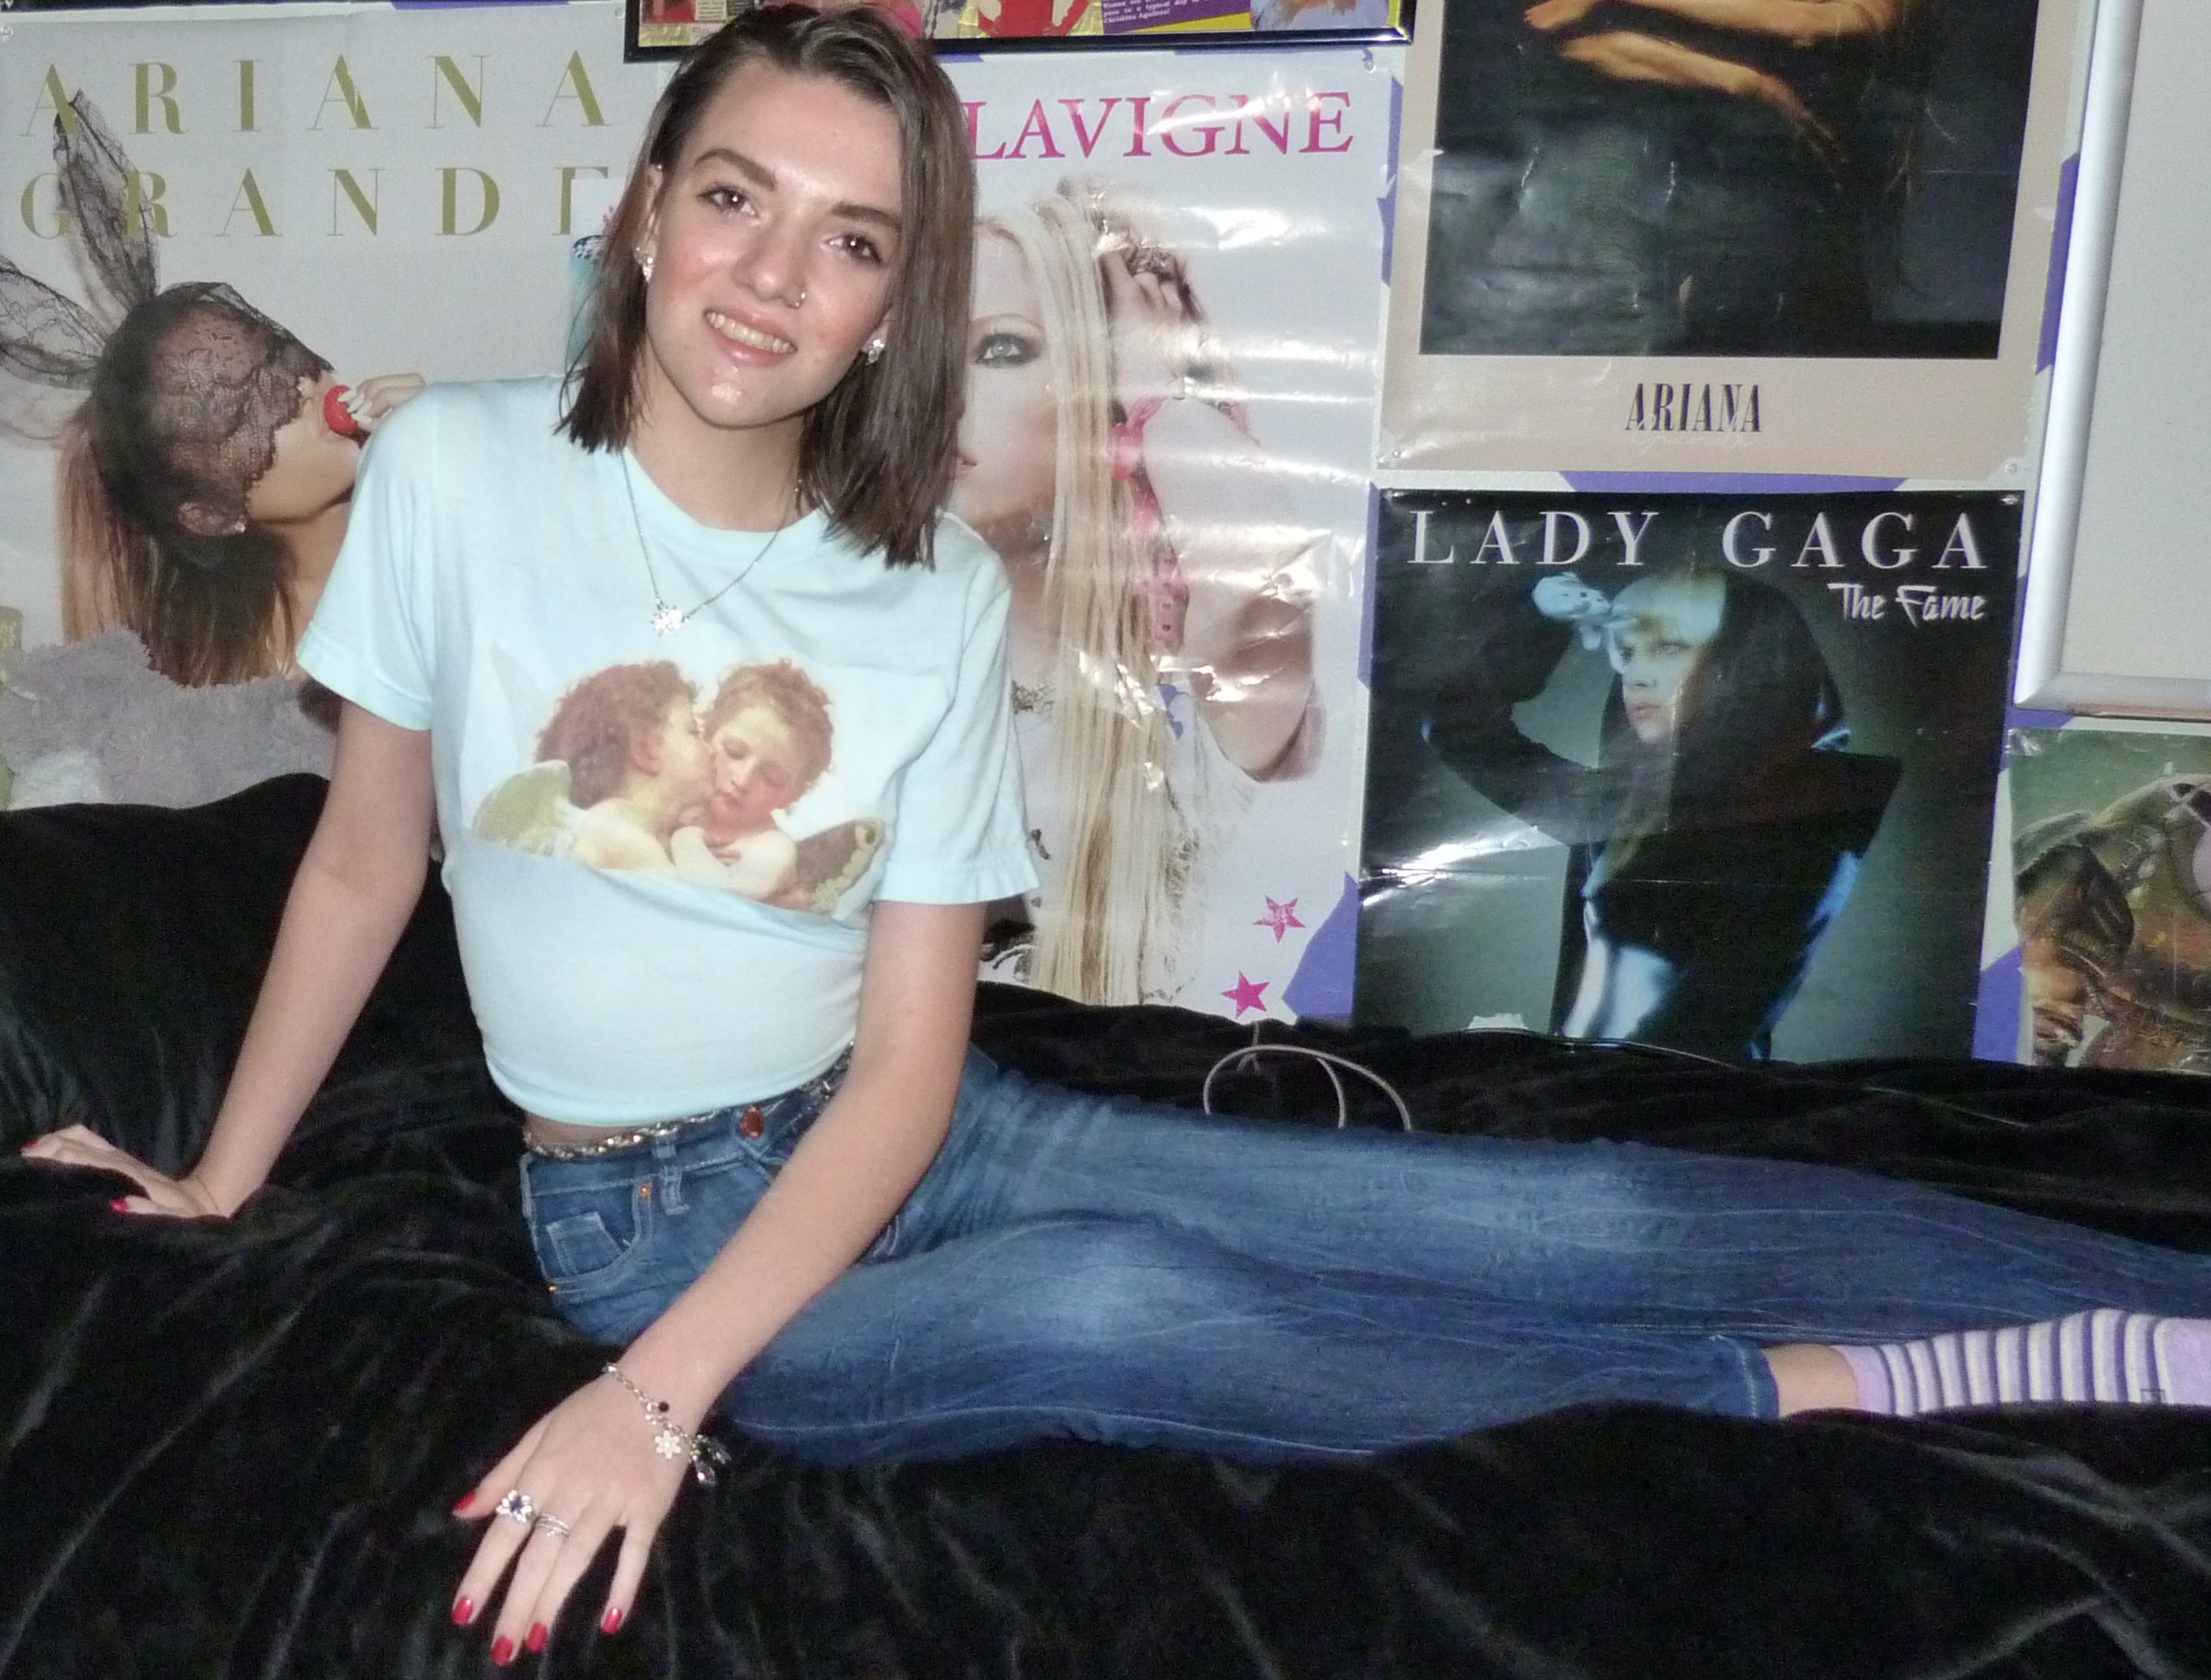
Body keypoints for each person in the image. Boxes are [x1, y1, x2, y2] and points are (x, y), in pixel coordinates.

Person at [20, 9, 2211, 1668]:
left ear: (892, 299)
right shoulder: (452, 478)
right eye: (736, 197)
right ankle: (1792, 1386)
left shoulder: (917, 598)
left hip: (910, 1126)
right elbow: (360, 860)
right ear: (653, 202)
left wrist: (652, 1413)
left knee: (1564, 1204)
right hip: (636, 1226)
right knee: (1118, 1301)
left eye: (851, 240)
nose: (773, 276)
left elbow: (908, 1066)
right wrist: (236, 1189)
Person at [953, 183, 1319, 1004]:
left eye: (1001, 349)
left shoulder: (1184, 706)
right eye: (916, 356)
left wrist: (1152, 384)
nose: (940, 395)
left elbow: (1262, 574)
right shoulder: (880, 678)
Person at [0, 95, 423, 687]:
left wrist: (457, 449)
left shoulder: (437, 530)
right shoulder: (244, 682)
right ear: (212, 515)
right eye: (248, 413)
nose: (303, 390)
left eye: (279, 356)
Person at [1423, 565, 1898, 1060]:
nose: (1636, 675)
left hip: (1676, 1097)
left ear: (1745, 663)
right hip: (1583, 1086)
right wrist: (1539, 618)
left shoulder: (1808, 824)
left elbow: (1707, 1026)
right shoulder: (1623, 805)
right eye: (1627, 652)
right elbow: (1457, 729)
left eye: (1669, 648)